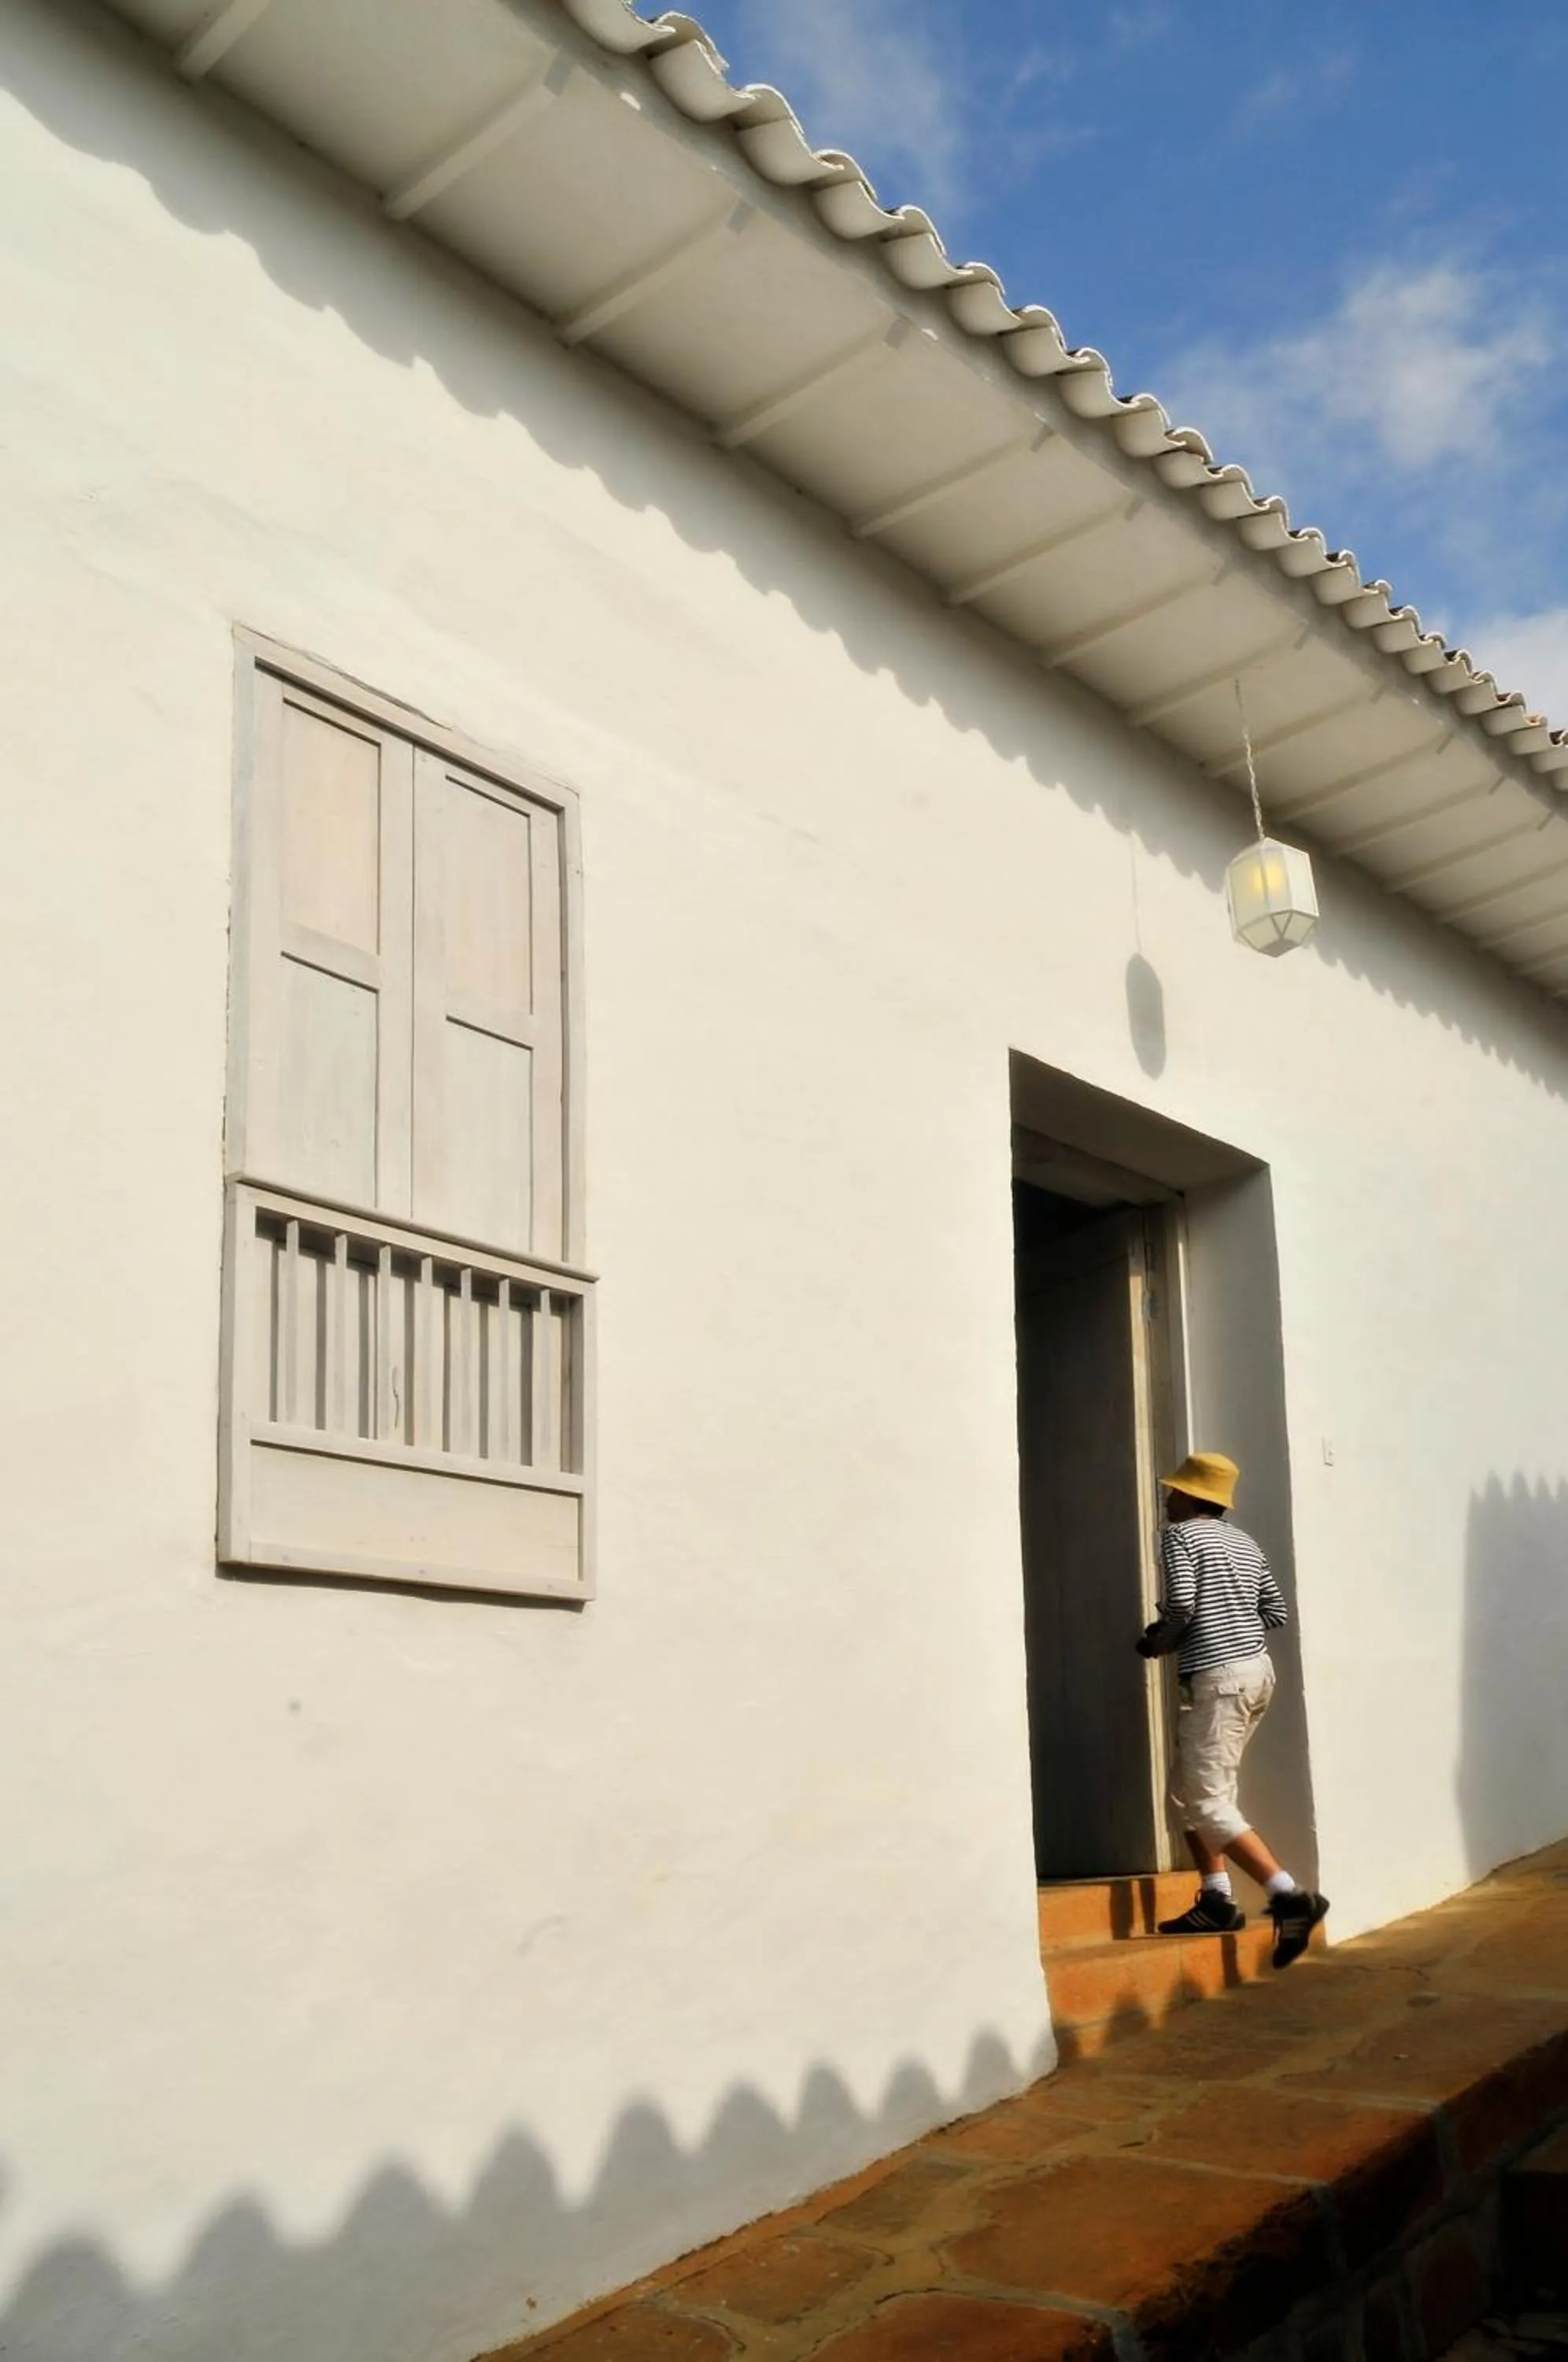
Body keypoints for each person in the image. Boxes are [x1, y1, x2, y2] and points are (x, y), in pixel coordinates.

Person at [1136, 1450, 1328, 1970]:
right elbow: (1275, 1612)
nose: (1167, 1498)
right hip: (1256, 1672)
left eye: (1173, 1491)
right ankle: (1217, 1899)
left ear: (1193, 1496)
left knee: (1208, 1801)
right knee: (1189, 1791)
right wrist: (1231, 1617)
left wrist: (1159, 1642)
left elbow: (1181, 1605)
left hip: (1219, 1678)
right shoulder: (1245, 1542)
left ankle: (1292, 1899)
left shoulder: (1180, 1537)